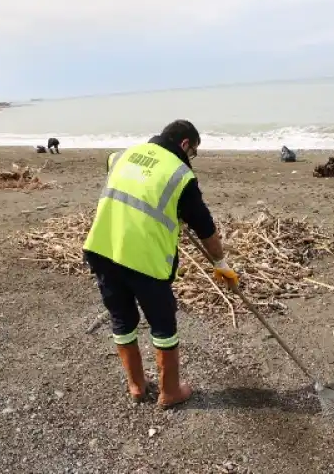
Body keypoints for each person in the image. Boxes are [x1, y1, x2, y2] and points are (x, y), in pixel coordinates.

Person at [83, 120, 239, 408]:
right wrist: (221, 263)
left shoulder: (120, 156)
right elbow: (205, 227)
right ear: (184, 144)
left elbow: (135, 187)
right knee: (163, 323)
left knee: (122, 319)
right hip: (144, 259)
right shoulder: (181, 175)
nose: (191, 159)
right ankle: (170, 392)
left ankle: (137, 386)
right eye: (193, 152)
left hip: (103, 249)